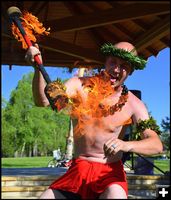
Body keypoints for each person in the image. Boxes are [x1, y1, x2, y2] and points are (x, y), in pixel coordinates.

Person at [25, 41, 163, 199]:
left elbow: (156, 144)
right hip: (77, 171)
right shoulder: (79, 86)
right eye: (113, 62)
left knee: (115, 196)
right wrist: (37, 68)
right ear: (105, 62)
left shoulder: (134, 104)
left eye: (124, 66)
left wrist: (125, 145)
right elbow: (42, 101)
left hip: (110, 174)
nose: (117, 69)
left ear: (130, 71)